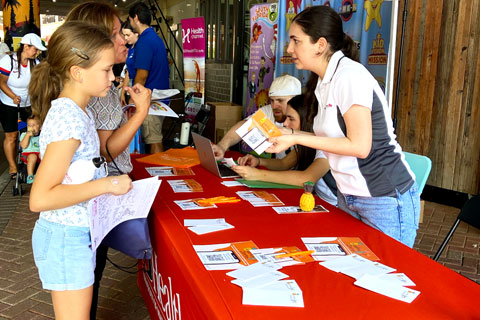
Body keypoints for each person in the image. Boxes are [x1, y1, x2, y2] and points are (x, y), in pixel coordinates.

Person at [267, 6, 420, 247]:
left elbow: (360, 146)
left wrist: (296, 138)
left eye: (296, 41)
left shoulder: (349, 76)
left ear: (320, 45)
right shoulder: (324, 80)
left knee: (384, 278)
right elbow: (334, 138)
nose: (289, 49)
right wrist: (291, 134)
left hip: (383, 198)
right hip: (348, 195)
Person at [28, 21, 133, 320]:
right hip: (65, 237)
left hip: (74, 234)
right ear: (77, 72)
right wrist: (107, 186)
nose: (113, 78)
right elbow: (40, 198)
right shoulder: (71, 119)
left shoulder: (78, 112)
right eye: (106, 70)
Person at [65, 2, 152, 319]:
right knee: (87, 282)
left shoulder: (98, 89)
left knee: (91, 280)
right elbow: (103, 151)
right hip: (92, 201)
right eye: (115, 33)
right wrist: (139, 113)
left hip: (94, 198)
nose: (124, 39)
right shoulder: (85, 98)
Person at [232, 95, 337, 206]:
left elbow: (307, 179)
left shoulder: (326, 146)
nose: (285, 123)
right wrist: (258, 161)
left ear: (308, 120)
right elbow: (284, 163)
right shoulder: (303, 143)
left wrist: (258, 175)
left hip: (334, 207)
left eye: (291, 119)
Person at [213, 74, 301, 161]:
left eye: (280, 100)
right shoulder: (269, 110)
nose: (274, 106)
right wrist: (222, 146)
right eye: (272, 100)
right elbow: (245, 126)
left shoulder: (310, 122)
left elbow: (286, 164)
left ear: (296, 100)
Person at [0, 33, 46, 179]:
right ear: (26, 46)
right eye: (35, 49)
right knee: (12, 136)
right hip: (9, 103)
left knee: (32, 132)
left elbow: (39, 85)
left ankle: (30, 163)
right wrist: (13, 96)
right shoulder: (8, 60)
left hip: (29, 104)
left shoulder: (35, 63)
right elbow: (1, 82)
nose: (37, 52)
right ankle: (13, 168)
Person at [129, 1, 170, 154]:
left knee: (153, 140)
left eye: (131, 19)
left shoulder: (145, 41)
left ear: (136, 18)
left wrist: (132, 100)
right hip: (158, 97)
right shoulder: (156, 38)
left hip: (150, 98)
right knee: (153, 138)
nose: (131, 23)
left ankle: (159, 175)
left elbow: (142, 75)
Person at [120, 19, 139, 106]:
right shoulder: (131, 48)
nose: (126, 38)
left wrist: (134, 95)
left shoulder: (142, 48)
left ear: (136, 33)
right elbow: (128, 72)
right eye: (124, 35)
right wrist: (123, 92)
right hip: (130, 89)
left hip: (139, 91)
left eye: (128, 35)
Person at [19, 115, 41, 184]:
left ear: (40, 127)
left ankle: (40, 175)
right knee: (33, 156)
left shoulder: (42, 135)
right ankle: (30, 176)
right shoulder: (24, 134)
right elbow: (23, 146)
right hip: (27, 154)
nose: (31, 127)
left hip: (39, 153)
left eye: (33, 125)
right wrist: (27, 136)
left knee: (44, 156)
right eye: (29, 125)